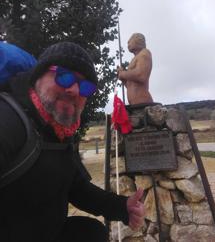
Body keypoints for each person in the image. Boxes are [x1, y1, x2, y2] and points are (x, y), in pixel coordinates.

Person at [0, 42, 145, 242]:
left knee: (92, 233)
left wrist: (122, 207)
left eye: (85, 86)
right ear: (38, 77)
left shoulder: (61, 132)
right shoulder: (8, 120)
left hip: (48, 232)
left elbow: (75, 187)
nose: (75, 90)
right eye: (64, 76)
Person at [117, 33, 153, 105]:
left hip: (143, 103)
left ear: (138, 40)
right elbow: (130, 86)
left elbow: (141, 75)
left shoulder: (144, 53)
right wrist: (123, 79)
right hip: (135, 104)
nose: (128, 44)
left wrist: (123, 73)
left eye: (130, 41)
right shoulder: (135, 58)